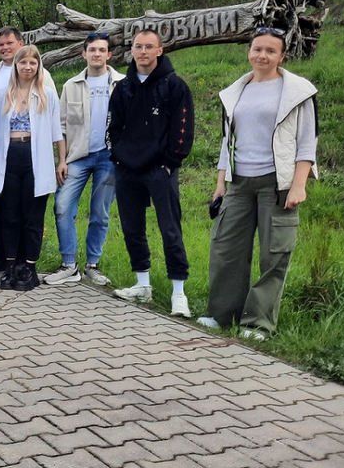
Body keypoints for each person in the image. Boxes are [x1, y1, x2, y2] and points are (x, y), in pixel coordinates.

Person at [198, 28, 318, 339]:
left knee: (274, 254)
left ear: (282, 56)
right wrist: (221, 183)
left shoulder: (298, 92)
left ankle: (257, 323)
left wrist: (299, 185)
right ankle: (221, 314)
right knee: (226, 248)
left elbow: (307, 141)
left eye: (270, 51)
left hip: (276, 184)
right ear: (249, 52)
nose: (262, 55)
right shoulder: (236, 91)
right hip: (238, 183)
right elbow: (227, 142)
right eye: (257, 49)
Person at [107, 28, 195, 317]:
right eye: (138, 46)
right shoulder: (123, 88)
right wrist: (118, 157)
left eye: (148, 46)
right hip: (127, 170)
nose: (142, 51)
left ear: (160, 50)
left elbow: (183, 130)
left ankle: (178, 292)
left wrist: (170, 161)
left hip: (160, 169)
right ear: (131, 50)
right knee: (132, 228)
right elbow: (112, 127)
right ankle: (142, 285)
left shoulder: (175, 86)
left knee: (170, 229)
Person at [45, 32, 124, 287]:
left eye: (101, 50)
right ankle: (69, 265)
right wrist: (61, 160)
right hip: (77, 156)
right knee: (62, 206)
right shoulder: (71, 85)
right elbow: (61, 127)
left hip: (109, 157)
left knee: (100, 213)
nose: (96, 54)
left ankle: (93, 265)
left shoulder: (123, 84)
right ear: (84, 53)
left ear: (109, 54)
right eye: (92, 50)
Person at [0, 46, 65, 292]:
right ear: (16, 65)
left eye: (33, 63)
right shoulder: (2, 93)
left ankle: (29, 267)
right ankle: (11, 265)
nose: (28, 67)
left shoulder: (46, 94)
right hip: (10, 156)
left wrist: (61, 160)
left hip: (36, 158)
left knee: (33, 217)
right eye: (23, 62)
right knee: (10, 215)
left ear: (38, 66)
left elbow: (57, 132)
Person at [0, 27, 55, 276]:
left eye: (9, 43)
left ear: (21, 43)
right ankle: (3, 257)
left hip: (31, 153)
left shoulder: (42, 77)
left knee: (29, 210)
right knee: (2, 208)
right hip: (1, 153)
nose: (5, 48)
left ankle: (26, 261)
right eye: (0, 44)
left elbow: (51, 119)